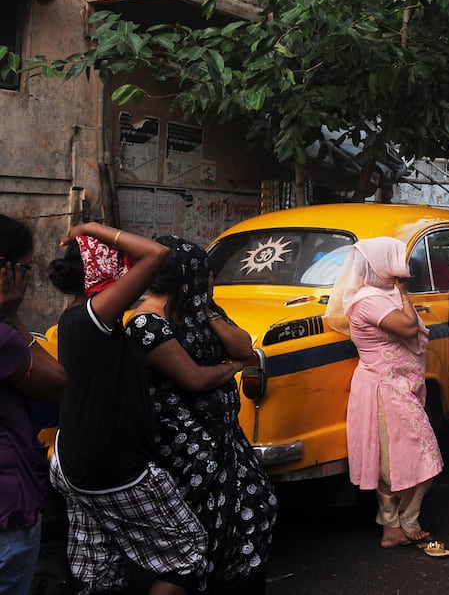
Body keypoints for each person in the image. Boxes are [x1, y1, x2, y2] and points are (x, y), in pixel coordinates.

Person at [47, 223, 208, 595]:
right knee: (187, 555)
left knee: (99, 569)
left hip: (75, 461)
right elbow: (158, 254)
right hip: (112, 468)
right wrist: (88, 227)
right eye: (123, 264)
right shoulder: (91, 319)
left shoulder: (76, 319)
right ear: (102, 268)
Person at [126, 236, 278, 589]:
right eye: (205, 273)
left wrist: (208, 311)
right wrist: (231, 367)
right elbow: (193, 379)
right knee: (196, 535)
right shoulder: (147, 323)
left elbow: (244, 344)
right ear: (188, 276)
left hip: (224, 439)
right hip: (187, 450)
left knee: (257, 507)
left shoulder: (200, 310)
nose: (211, 279)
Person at [324, 237, 449, 558]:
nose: (402, 268)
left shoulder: (380, 295)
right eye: (395, 260)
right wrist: (405, 294)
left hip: (395, 386)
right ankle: (403, 523)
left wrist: (400, 294)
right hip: (384, 388)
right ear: (382, 264)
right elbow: (408, 329)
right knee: (420, 455)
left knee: (395, 459)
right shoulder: (368, 300)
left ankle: (393, 527)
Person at [0, 215, 67, 595]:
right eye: (25, 269)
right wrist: (12, 313)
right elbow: (56, 382)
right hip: (8, 510)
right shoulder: (6, 340)